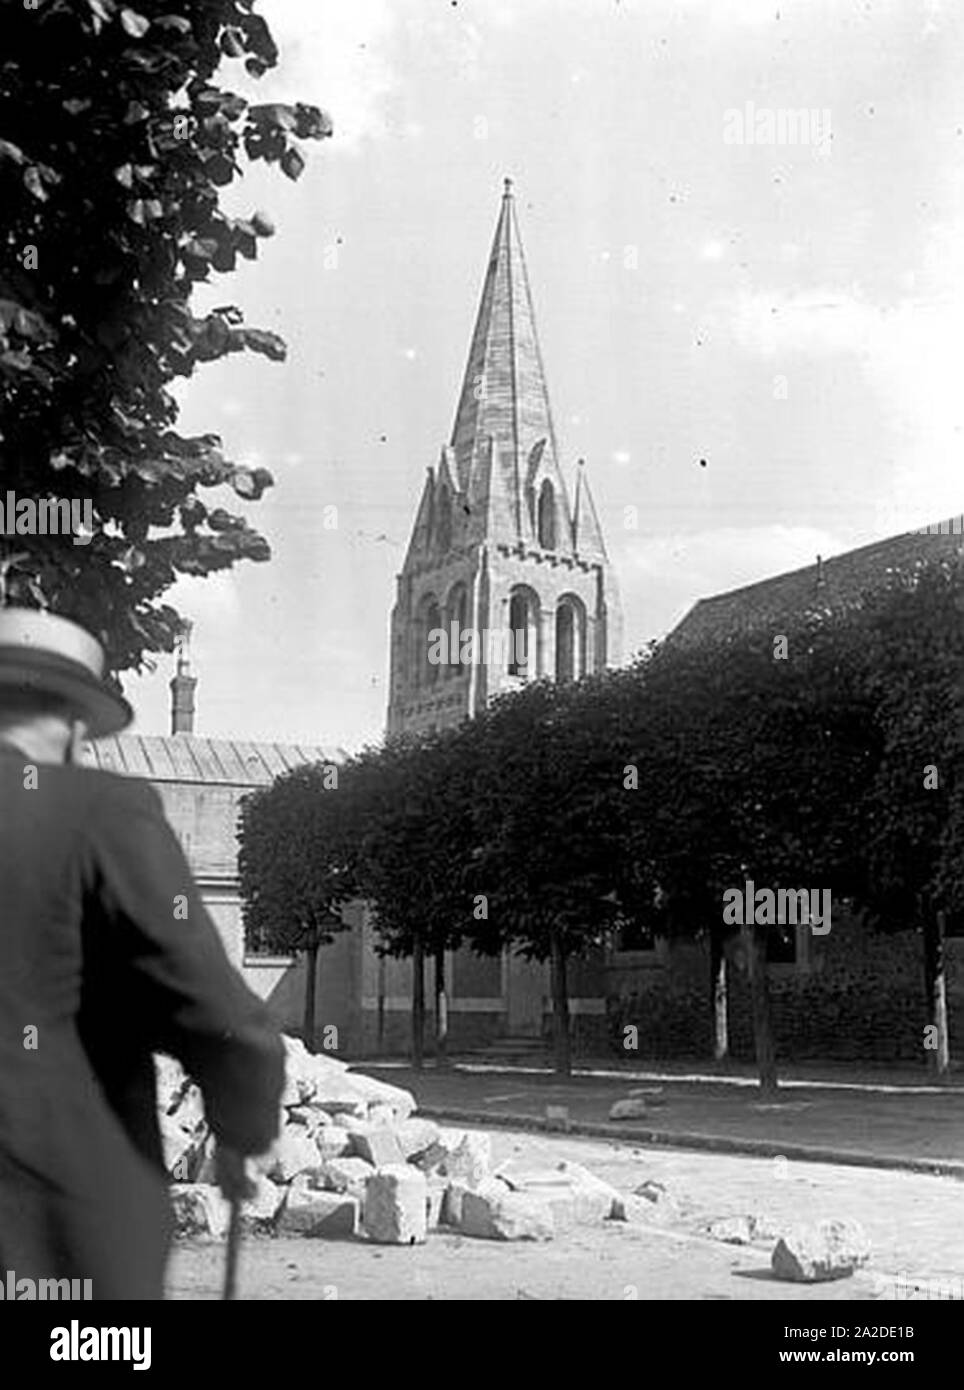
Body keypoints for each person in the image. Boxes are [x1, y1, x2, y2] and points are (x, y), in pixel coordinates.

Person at [0, 607, 284, 1299]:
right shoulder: (99, 810)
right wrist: (242, 1125)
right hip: (60, 1229)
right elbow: (213, 1010)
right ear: (72, 725)